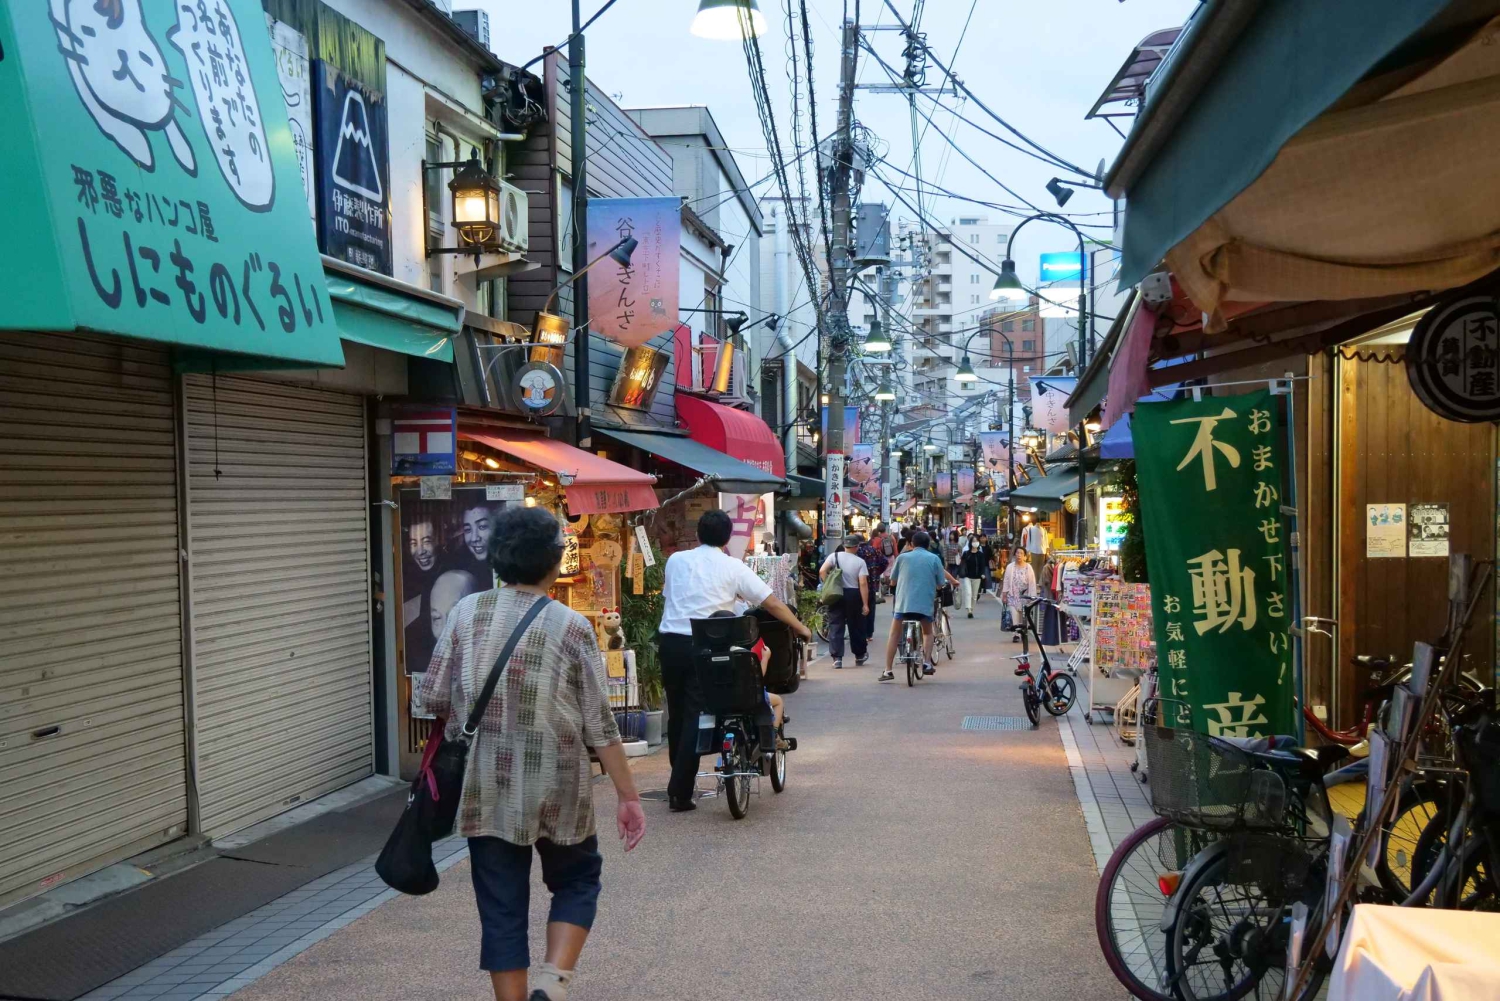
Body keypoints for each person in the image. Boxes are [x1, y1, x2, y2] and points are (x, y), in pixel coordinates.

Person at [413, 506, 645, 1001]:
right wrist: (629, 796)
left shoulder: (464, 613)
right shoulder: (571, 626)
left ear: (497, 559)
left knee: (501, 908)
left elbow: (428, 698)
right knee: (578, 880)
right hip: (560, 786)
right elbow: (599, 724)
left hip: (486, 790)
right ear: (554, 561)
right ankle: (553, 983)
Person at [658, 509, 811, 812]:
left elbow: (670, 597)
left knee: (676, 713)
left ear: (698, 534)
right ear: (727, 539)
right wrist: (801, 628)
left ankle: (679, 779)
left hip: (670, 642)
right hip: (706, 645)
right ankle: (679, 791)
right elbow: (771, 603)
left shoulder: (676, 561)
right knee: (695, 713)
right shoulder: (733, 567)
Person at [883, 530, 954, 681]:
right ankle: (927, 663)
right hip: (924, 605)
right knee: (927, 632)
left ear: (911, 544)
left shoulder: (902, 558)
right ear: (928, 545)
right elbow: (941, 584)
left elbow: (893, 581)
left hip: (903, 605)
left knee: (894, 634)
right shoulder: (934, 558)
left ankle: (888, 670)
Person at [819, 535, 870, 669]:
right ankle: (859, 655)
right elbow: (863, 583)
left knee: (836, 624)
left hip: (836, 593)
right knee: (856, 626)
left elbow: (822, 570)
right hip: (853, 594)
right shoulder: (860, 562)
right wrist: (865, 604)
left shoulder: (833, 556)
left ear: (844, 545)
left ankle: (837, 658)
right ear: (856, 547)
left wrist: (829, 584)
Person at [856, 527, 890, 641]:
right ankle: (869, 634)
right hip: (872, 584)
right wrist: (876, 572)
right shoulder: (873, 550)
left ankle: (861, 632)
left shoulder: (857, 552)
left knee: (860, 608)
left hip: (858, 585)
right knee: (870, 608)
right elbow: (885, 561)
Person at [1002, 548, 1039, 643]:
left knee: (1023, 616)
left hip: (1025, 596)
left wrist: (1032, 596)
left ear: (1025, 556)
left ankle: (1023, 631)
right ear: (1015, 555)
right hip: (1012, 595)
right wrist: (1004, 594)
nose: (1019, 555)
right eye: (1017, 553)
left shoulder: (1028, 567)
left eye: (1021, 553)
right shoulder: (1010, 567)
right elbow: (1006, 580)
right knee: (1015, 615)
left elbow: (1032, 582)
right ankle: (1016, 634)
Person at [958, 534, 988, 618]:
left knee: (974, 596)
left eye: (976, 541)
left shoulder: (980, 554)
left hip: (977, 577)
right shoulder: (966, 553)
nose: (975, 543)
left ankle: (971, 609)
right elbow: (962, 564)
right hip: (967, 576)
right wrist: (959, 574)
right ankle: (969, 609)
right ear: (970, 543)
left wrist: (982, 574)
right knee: (968, 592)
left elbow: (982, 565)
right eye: (974, 541)